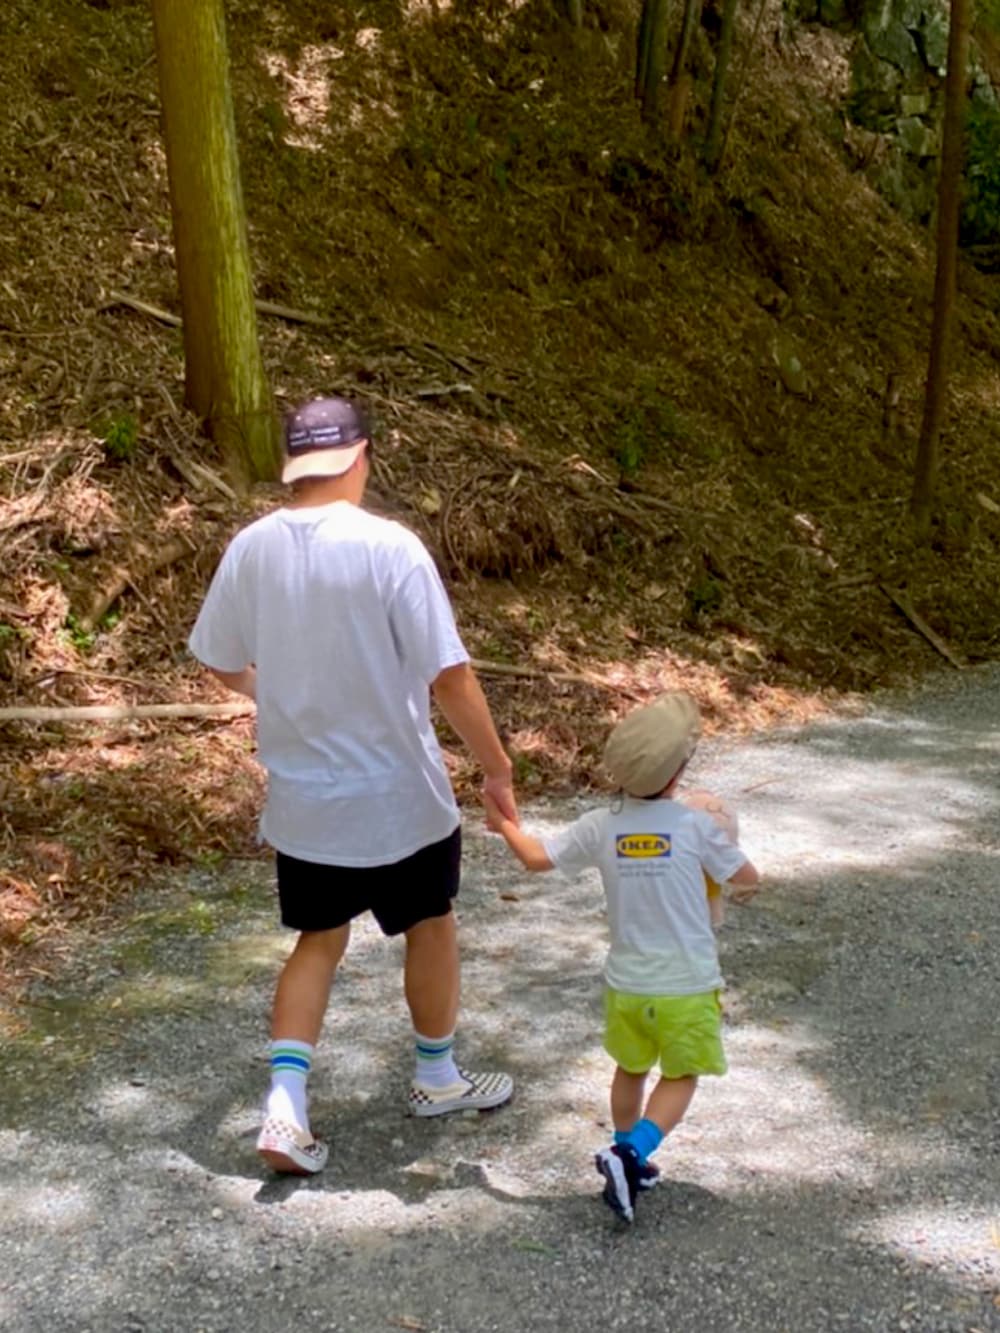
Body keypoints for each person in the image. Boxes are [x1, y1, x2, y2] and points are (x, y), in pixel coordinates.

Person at [189, 396, 516, 1176]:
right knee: (431, 920)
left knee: (319, 941)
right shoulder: (390, 548)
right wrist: (497, 767)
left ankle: (286, 1106)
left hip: (306, 803)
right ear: (362, 458)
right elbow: (450, 675)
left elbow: (216, 655)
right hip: (400, 796)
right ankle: (437, 1076)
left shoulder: (251, 548)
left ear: (293, 466)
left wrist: (269, 691)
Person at [482, 691, 759, 1223]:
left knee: (631, 1067)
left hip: (627, 985)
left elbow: (537, 859)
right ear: (679, 774)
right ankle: (631, 1153)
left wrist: (504, 827)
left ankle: (623, 1152)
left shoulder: (600, 825)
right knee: (681, 1076)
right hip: (687, 985)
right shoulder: (696, 825)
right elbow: (747, 879)